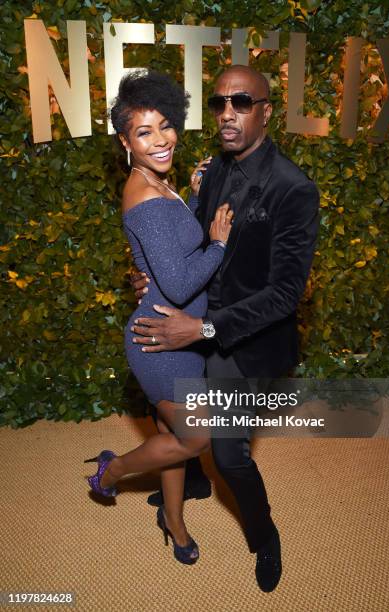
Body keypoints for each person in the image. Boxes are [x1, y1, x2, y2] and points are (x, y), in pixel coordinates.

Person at [130, 64, 320, 591]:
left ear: (266, 111)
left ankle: (265, 538)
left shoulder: (294, 189)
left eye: (241, 102)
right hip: (190, 317)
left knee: (232, 456)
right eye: (219, 103)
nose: (228, 113)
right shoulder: (213, 169)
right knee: (177, 411)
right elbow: (191, 244)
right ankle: (190, 479)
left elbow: (284, 296)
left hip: (242, 339)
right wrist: (149, 273)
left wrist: (203, 330)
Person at [84, 69, 233, 565]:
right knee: (197, 437)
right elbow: (181, 281)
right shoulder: (144, 195)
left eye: (166, 125)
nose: (161, 139)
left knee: (175, 440)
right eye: (144, 132)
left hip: (181, 336)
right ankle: (111, 472)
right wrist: (218, 243)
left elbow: (171, 244)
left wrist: (190, 196)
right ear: (125, 141)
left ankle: (173, 520)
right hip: (158, 343)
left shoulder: (159, 183)